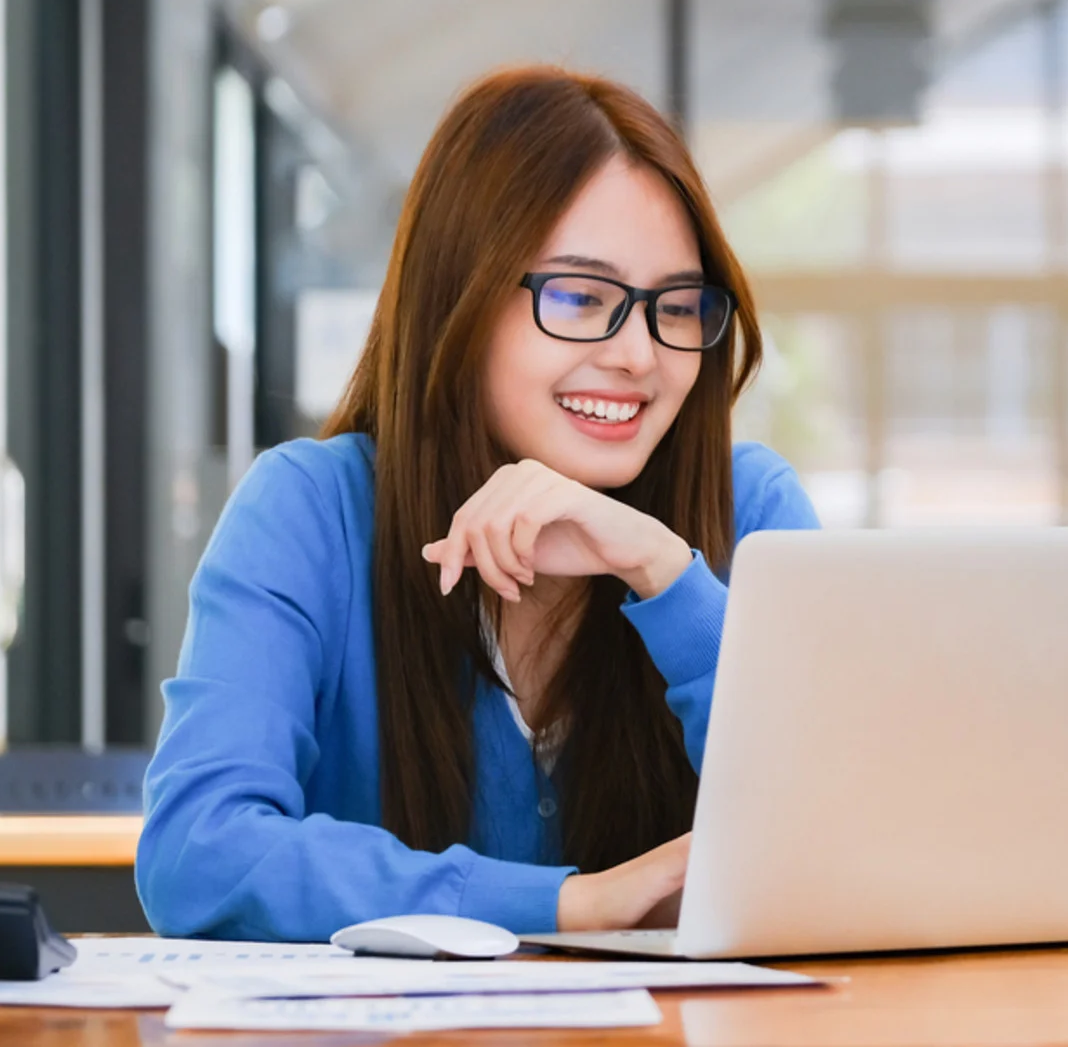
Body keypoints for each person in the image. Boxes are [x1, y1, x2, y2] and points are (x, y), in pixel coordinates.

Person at [136, 65, 818, 941]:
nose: (640, 355)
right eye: (580, 296)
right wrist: (570, 905)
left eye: (676, 307)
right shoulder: (309, 511)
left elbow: (835, 835)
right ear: (460, 294)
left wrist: (664, 573)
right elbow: (199, 853)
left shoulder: (751, 509)